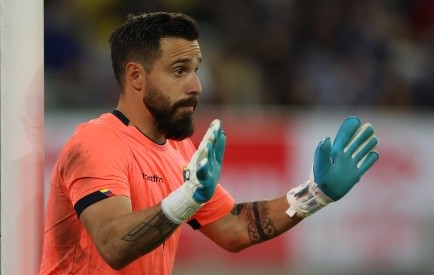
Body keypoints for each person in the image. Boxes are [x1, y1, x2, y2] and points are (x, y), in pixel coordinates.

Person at [39, 12, 379, 274]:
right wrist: (185, 198)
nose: (197, 86)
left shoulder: (178, 150)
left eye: (196, 69)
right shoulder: (97, 142)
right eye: (179, 70)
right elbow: (112, 245)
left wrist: (314, 194)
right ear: (136, 77)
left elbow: (233, 228)